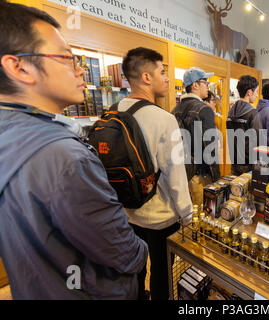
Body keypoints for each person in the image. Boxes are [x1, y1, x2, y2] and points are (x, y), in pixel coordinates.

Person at [0, 2, 148, 299]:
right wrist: (143, 250)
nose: (80, 70)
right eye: (67, 59)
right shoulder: (65, 157)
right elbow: (123, 252)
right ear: (19, 67)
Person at [117, 48, 193, 300]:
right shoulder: (163, 119)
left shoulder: (113, 112)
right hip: (160, 215)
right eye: (163, 72)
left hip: (126, 211)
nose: (167, 78)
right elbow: (175, 175)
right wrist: (187, 214)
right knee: (161, 270)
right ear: (147, 77)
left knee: (136, 267)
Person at [172, 67, 221, 207]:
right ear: (195, 85)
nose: (208, 86)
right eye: (205, 82)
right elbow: (210, 150)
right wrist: (217, 179)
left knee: (189, 216)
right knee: (204, 216)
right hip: (200, 176)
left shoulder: (175, 110)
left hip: (182, 174)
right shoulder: (204, 109)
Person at [226, 75, 261, 176]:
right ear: (249, 92)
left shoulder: (231, 111)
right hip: (249, 164)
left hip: (234, 161)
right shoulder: (252, 113)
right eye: (256, 91)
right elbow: (257, 142)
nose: (257, 95)